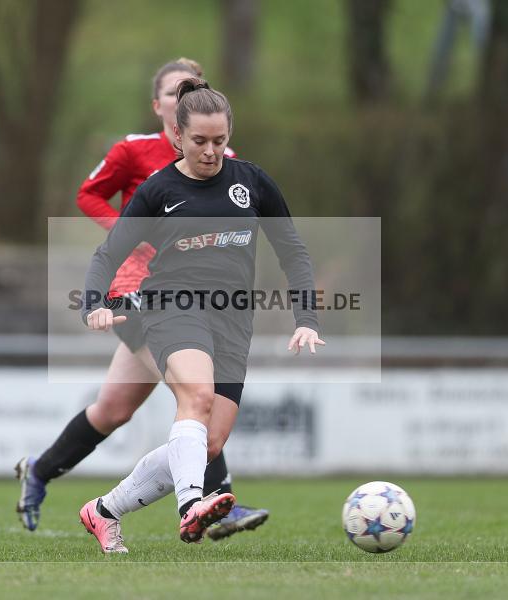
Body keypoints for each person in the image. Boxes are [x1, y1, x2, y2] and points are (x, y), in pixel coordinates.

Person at [15, 59, 269, 540]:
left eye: (191, 92)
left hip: (193, 296)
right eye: (174, 93)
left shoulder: (218, 155)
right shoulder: (133, 152)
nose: (182, 101)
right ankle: (215, 503)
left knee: (112, 410)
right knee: (198, 394)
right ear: (158, 106)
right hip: (137, 292)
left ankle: (40, 471)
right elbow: (89, 195)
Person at [78, 78, 324, 552]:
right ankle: (192, 505)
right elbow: (107, 255)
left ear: (229, 135)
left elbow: (292, 249)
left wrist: (307, 319)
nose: (211, 151)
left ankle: (104, 511)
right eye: (199, 141)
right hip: (172, 304)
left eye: (219, 141)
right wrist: (94, 304)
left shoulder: (252, 181)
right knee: (197, 394)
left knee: (208, 444)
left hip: (233, 318)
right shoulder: (157, 190)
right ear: (177, 137)